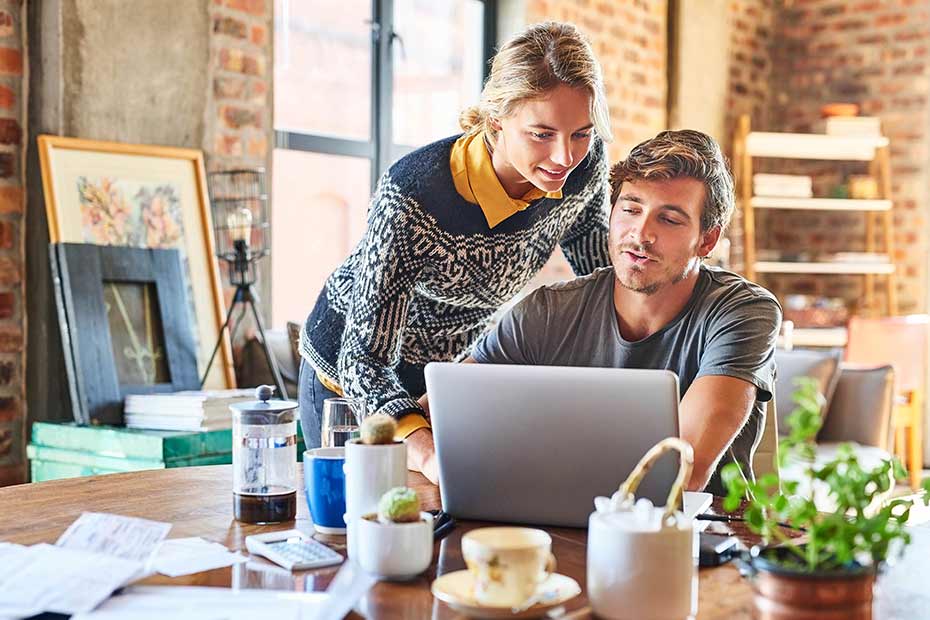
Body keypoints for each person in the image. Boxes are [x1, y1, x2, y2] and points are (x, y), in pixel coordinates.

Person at [298, 22, 614, 470]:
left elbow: (601, 282)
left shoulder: (584, 167)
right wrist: (425, 454)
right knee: (364, 528)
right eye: (542, 134)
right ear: (495, 120)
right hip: (348, 379)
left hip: (445, 381)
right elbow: (363, 358)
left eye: (580, 133)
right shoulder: (413, 195)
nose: (565, 156)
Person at [416, 130, 781, 494]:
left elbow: (681, 472)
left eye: (669, 219)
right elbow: (434, 412)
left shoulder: (743, 313)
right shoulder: (546, 312)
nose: (640, 234)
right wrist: (431, 461)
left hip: (700, 536)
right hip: (552, 522)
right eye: (630, 209)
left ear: (707, 240)